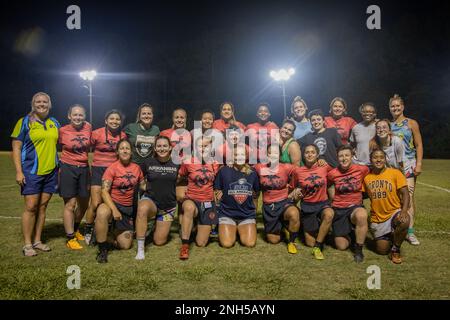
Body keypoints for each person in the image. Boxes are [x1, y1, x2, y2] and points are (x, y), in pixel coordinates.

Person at [11, 92, 60, 256]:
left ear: (49, 104)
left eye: (45, 102)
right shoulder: (24, 122)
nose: (42, 104)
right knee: (31, 207)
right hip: (31, 171)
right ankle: (27, 244)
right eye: (38, 102)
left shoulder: (54, 123)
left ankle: (38, 240)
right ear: (33, 104)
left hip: (51, 171)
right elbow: (16, 147)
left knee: (42, 207)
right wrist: (19, 172)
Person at [95, 139, 145, 263]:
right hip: (112, 204)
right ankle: (102, 250)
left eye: (127, 148)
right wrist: (114, 210)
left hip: (127, 208)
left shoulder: (137, 168)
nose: (125, 150)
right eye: (122, 148)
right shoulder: (112, 168)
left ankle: (106, 236)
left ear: (131, 152)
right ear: (117, 152)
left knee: (125, 245)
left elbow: (143, 186)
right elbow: (104, 191)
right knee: (102, 212)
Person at [84, 110, 127, 245]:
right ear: (106, 120)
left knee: (109, 202)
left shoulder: (123, 135)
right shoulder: (96, 133)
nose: (114, 121)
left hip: (113, 171)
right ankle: (88, 228)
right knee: (96, 203)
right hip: (98, 170)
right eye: (112, 119)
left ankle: (105, 229)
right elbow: (84, 149)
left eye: (117, 119)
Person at [135, 136, 179, 260]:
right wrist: (144, 187)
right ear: (154, 148)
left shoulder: (177, 163)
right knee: (142, 208)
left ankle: (152, 227)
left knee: (159, 241)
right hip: (151, 201)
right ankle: (140, 248)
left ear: (170, 147)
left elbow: (181, 180)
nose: (162, 148)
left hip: (168, 207)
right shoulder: (148, 162)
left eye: (165, 146)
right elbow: (138, 178)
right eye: (159, 146)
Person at [363, 149, 410, 264]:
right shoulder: (366, 178)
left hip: (394, 212)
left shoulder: (395, 173)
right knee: (382, 250)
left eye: (381, 157)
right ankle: (391, 234)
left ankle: (396, 249)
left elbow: (405, 193)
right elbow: (361, 195)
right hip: (377, 218)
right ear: (370, 160)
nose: (378, 159)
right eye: (375, 157)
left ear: (385, 159)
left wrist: (404, 211)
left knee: (404, 220)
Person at [178, 137, 220, 259]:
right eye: (200, 146)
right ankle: (185, 245)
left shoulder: (215, 163)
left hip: (207, 202)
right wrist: (180, 192)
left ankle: (194, 226)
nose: (203, 148)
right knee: (189, 208)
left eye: (206, 146)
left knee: (201, 243)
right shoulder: (188, 162)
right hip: (191, 199)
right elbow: (179, 177)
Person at [389, 94, 423, 245]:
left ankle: (410, 232)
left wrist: (419, 164)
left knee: (408, 197)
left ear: (402, 107)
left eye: (398, 106)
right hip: (393, 165)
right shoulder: (388, 125)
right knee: (395, 198)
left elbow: (419, 145)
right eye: (392, 106)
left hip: (409, 164)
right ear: (390, 108)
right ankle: (396, 227)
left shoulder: (411, 123)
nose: (395, 108)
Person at [327, 145, 370, 263]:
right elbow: (328, 185)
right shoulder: (332, 173)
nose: (344, 158)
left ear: (352, 156)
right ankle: (351, 233)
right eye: (341, 156)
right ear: (337, 158)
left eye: (347, 155)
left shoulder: (362, 169)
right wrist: (331, 199)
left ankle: (358, 249)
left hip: (355, 207)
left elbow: (372, 177)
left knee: (361, 215)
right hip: (339, 209)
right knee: (342, 246)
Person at [254, 144, 300, 254]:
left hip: (284, 201)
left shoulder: (286, 167)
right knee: (273, 240)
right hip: (269, 205)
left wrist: (294, 188)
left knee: (294, 213)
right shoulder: (260, 168)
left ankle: (292, 242)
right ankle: (283, 226)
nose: (272, 155)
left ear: (279, 155)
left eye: (275, 152)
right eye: (270, 152)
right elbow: (246, 171)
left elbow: (302, 172)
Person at [291, 144, 334, 260]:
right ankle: (319, 232)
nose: (310, 154)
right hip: (308, 206)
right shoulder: (298, 171)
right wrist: (296, 192)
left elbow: (333, 179)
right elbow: (293, 188)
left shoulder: (325, 167)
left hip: (323, 204)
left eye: (313, 152)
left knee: (329, 214)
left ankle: (318, 246)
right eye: (307, 152)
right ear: (303, 155)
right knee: (309, 242)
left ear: (317, 155)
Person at [58, 104, 92, 250]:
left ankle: (76, 228)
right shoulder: (62, 130)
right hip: (68, 168)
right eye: (75, 115)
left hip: (84, 168)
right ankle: (70, 237)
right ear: (69, 116)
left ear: (84, 116)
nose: (78, 117)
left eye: (81, 115)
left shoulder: (88, 127)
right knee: (70, 204)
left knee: (84, 203)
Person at [214, 147, 260, 248]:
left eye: (242, 154)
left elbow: (256, 195)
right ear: (232, 156)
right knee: (227, 244)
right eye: (236, 155)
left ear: (246, 156)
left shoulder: (252, 173)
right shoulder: (224, 171)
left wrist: (253, 213)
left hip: (246, 215)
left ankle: (240, 228)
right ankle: (228, 227)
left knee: (249, 243)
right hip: (227, 214)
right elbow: (217, 190)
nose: (239, 157)